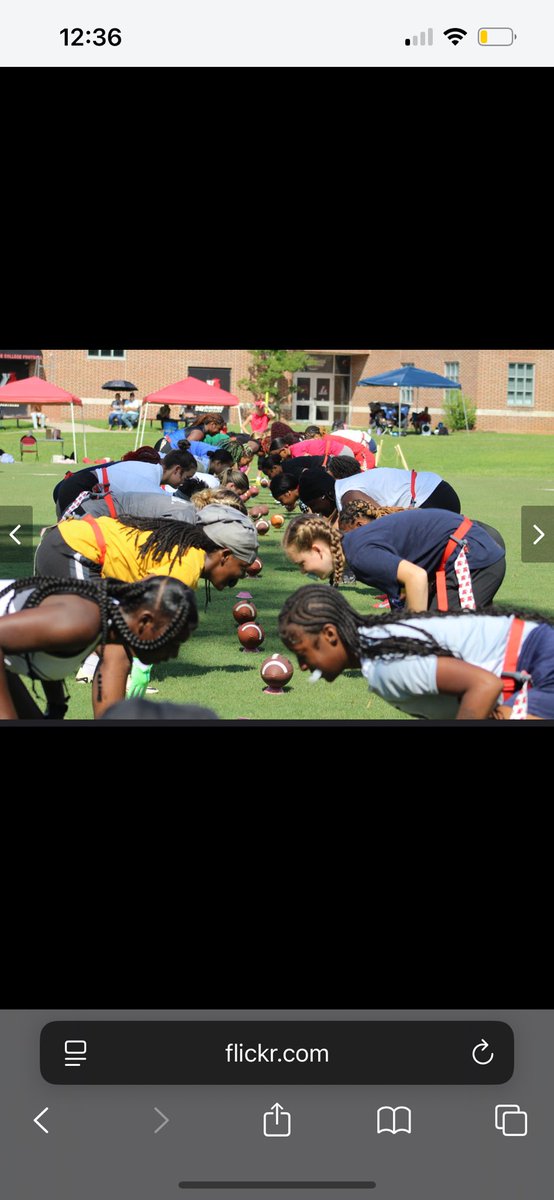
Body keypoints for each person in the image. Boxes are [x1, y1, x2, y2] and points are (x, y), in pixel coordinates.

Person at [34, 506, 259, 706]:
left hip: (67, 545)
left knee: (111, 649)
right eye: (242, 567)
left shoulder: (188, 555)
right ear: (225, 555)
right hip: (73, 551)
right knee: (115, 651)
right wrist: (142, 665)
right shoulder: (188, 564)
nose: (240, 577)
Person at [278, 585, 554, 720]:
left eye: (303, 654)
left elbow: (485, 685)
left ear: (329, 635)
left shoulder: (386, 665)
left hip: (540, 664)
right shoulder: (379, 640)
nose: (302, 666)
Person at [0, 575, 198, 720]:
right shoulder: (83, 620)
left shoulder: (111, 635)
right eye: (173, 641)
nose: (174, 654)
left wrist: (56, 705)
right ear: (145, 621)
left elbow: (50, 642)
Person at [282, 507, 506, 612]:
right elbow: (407, 589)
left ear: (317, 550)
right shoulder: (353, 547)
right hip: (460, 555)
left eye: (302, 564)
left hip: (469, 556)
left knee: (445, 638)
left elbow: (416, 577)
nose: (304, 572)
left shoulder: (359, 555)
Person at [53, 450, 196, 519]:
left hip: (76, 486)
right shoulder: (149, 478)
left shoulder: (150, 470)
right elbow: (167, 502)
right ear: (177, 470)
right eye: (187, 477)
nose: (184, 483)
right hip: (79, 489)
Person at [333, 466, 462, 516]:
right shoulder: (345, 487)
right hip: (435, 489)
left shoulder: (349, 495)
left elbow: (381, 519)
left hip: (431, 496)